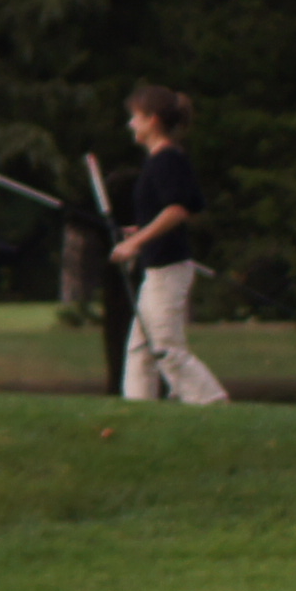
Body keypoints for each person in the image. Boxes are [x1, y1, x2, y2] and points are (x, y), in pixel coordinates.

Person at [112, 85, 230, 404]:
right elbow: (178, 206)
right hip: (158, 269)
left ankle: (213, 404)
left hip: (168, 270)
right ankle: (138, 411)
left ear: (152, 120)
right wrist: (142, 230)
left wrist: (136, 241)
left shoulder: (166, 160)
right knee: (140, 349)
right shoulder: (164, 160)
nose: (131, 124)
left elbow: (178, 209)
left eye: (135, 118)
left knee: (166, 348)